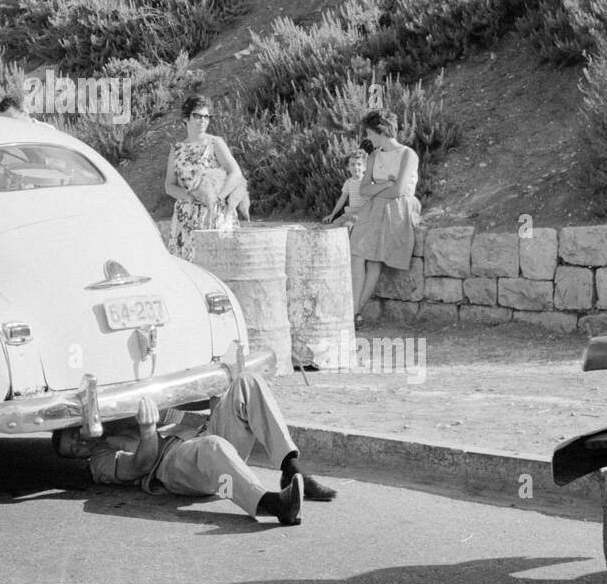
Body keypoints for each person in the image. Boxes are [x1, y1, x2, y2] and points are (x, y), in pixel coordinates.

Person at [55, 369, 337, 524]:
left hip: (198, 435)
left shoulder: (116, 417)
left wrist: (214, 399)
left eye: (74, 435)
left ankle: (291, 468)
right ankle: (271, 504)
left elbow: (179, 410)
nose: (80, 443)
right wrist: (147, 429)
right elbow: (139, 465)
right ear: (78, 457)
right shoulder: (99, 461)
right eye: (74, 449)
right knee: (212, 446)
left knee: (247, 382)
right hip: (173, 467)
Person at [348, 109, 421, 319]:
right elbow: (363, 189)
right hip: (373, 209)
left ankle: (353, 313)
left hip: (396, 210)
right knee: (357, 255)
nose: (367, 138)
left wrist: (379, 186)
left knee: (373, 261)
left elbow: (399, 192)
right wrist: (386, 183)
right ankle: (353, 312)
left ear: (381, 132)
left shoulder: (408, 155)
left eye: (370, 133)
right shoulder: (373, 156)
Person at [164, 94, 247, 260]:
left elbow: (236, 173)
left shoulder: (214, 143)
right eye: (197, 116)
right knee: (189, 269)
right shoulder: (177, 149)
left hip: (215, 213)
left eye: (206, 116)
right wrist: (189, 197)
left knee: (221, 264)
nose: (203, 120)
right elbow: (169, 185)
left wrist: (218, 198)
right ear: (186, 118)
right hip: (186, 217)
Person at [325, 151, 367, 228]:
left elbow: (373, 200)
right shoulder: (348, 182)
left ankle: (351, 239)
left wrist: (362, 213)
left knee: (347, 225)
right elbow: (342, 199)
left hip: (362, 213)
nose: (356, 167)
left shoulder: (367, 181)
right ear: (348, 167)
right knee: (336, 223)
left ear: (365, 167)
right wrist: (332, 214)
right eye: (352, 164)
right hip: (349, 213)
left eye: (359, 164)